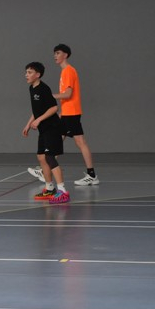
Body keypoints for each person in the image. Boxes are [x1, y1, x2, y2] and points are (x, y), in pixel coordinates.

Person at [28, 43, 98, 186]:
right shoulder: (65, 71)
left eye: (58, 53)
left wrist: (49, 96)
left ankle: (91, 175)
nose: (55, 55)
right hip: (67, 112)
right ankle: (46, 168)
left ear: (65, 55)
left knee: (78, 142)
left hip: (71, 112)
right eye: (54, 53)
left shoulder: (68, 71)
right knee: (59, 139)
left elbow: (68, 94)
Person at [22, 62, 70, 204]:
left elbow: (54, 108)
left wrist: (39, 120)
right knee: (41, 157)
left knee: (50, 157)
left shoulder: (44, 89)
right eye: (26, 72)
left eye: (30, 72)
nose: (26, 75)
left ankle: (63, 191)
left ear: (38, 75)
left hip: (52, 127)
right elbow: (37, 110)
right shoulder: (31, 88)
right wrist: (28, 124)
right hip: (43, 129)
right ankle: (50, 189)